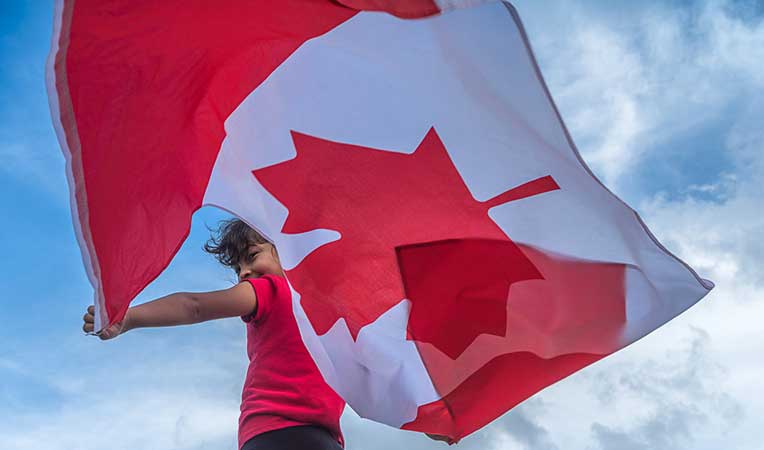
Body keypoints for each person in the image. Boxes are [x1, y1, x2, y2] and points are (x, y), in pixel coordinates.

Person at [82, 218, 346, 450]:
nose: (243, 272)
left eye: (252, 256)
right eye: (237, 268)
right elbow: (193, 307)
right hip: (299, 434)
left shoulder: (298, 299)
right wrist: (129, 317)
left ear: (286, 249)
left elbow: (194, 306)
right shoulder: (284, 294)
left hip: (291, 434)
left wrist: (130, 317)